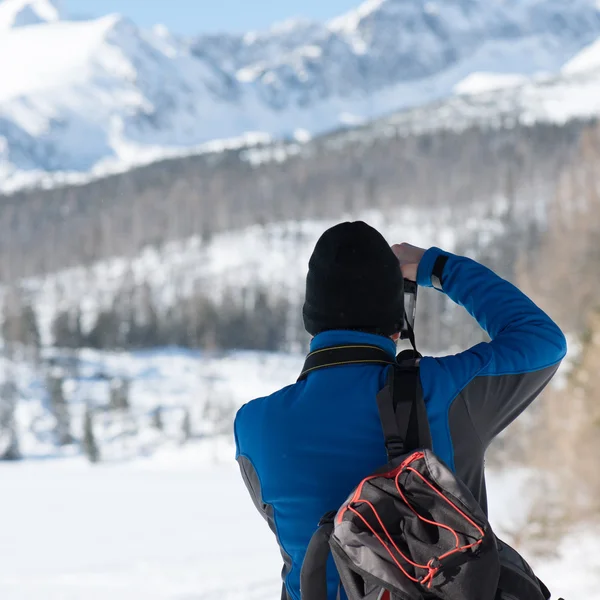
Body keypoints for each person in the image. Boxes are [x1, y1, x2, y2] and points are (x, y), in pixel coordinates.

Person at [234, 221, 567, 600]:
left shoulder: (255, 427)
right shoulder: (445, 392)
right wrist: (435, 267)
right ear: (397, 324)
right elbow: (542, 339)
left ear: (312, 321)